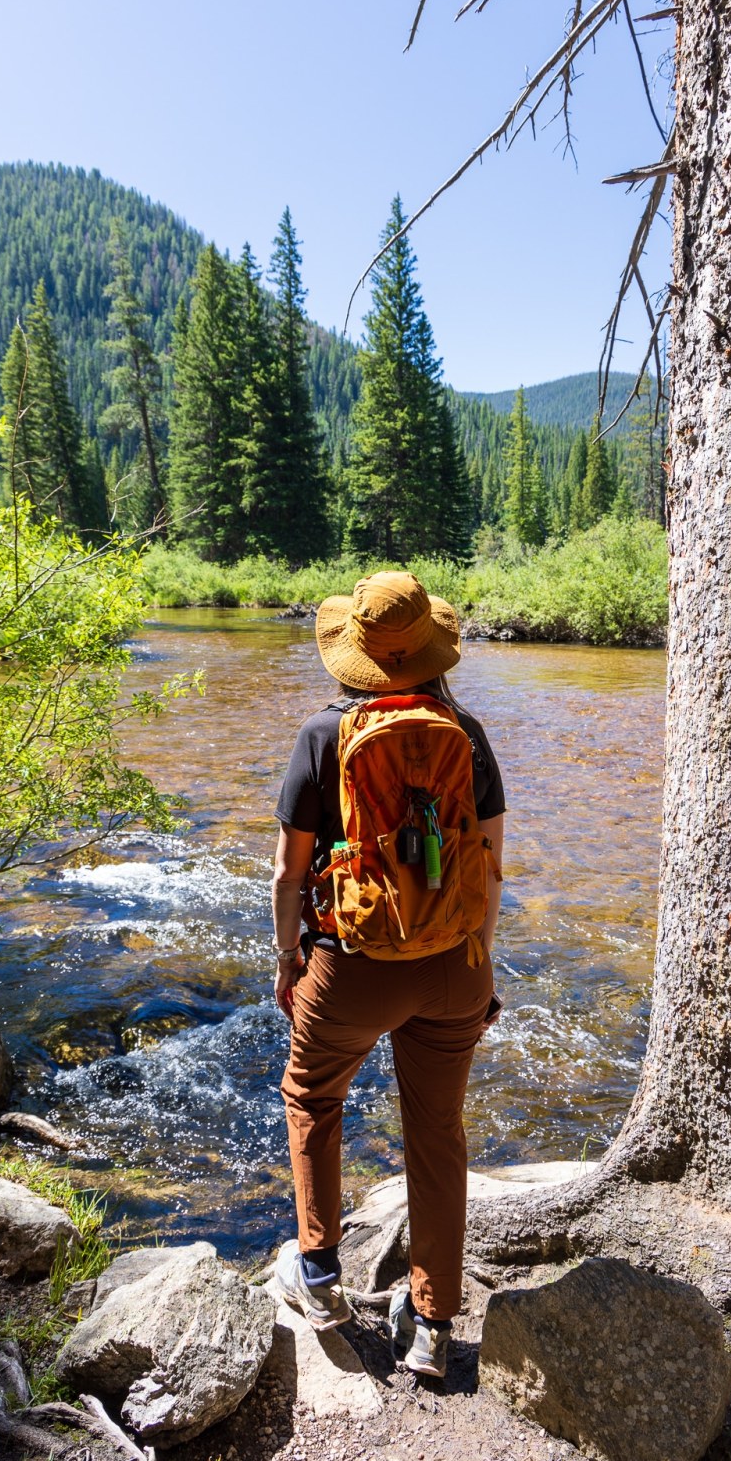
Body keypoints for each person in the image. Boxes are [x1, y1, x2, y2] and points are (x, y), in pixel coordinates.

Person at [270, 570, 505, 1379]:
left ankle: (322, 1278)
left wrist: (288, 961)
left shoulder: (319, 736)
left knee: (312, 1096)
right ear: (434, 654)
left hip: (353, 965)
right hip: (452, 968)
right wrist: (480, 965)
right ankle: (434, 1326)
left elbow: (287, 878)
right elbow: (490, 869)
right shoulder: (465, 731)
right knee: (436, 1135)